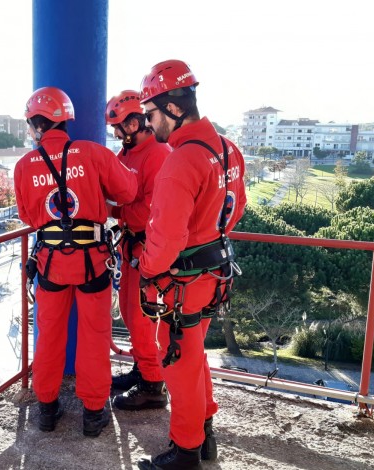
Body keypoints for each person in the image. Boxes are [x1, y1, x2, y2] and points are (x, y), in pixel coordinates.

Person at [135, 60, 247, 469]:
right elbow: (236, 207)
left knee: (179, 363)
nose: (149, 125)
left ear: (173, 109)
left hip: (183, 281)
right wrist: (207, 238)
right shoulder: (226, 148)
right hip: (214, 272)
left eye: (151, 115)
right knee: (194, 354)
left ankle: (186, 453)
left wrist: (146, 268)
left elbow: (164, 240)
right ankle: (205, 436)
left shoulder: (180, 162)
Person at [15, 86, 137, 437]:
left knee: (49, 335)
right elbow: (128, 192)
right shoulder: (93, 153)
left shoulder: (25, 166)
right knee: (95, 336)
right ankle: (94, 412)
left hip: (50, 263)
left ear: (38, 125)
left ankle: (47, 408)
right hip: (93, 262)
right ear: (64, 119)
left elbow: (28, 215)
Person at [104, 90, 170, 410]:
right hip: (132, 244)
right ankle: (143, 368)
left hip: (146, 245)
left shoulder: (157, 154)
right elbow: (112, 188)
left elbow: (148, 210)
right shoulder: (127, 153)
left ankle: (153, 384)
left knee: (140, 316)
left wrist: (117, 213)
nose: (117, 133)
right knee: (132, 316)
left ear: (136, 122)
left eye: (120, 126)